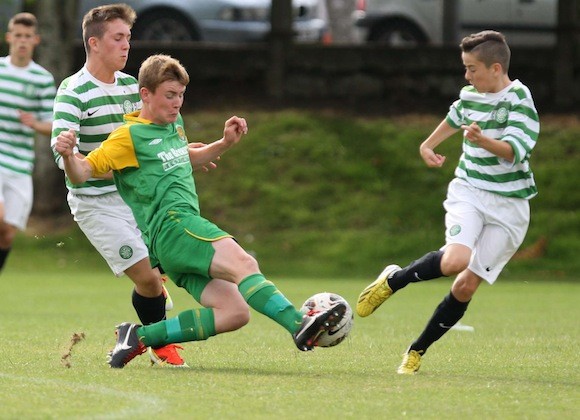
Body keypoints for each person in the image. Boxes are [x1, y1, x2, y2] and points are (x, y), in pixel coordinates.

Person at [54, 54, 347, 368]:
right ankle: (298, 323)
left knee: (234, 313)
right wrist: (70, 154)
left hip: (170, 245)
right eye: (169, 95)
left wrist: (223, 143)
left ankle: (140, 336)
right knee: (244, 262)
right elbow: (81, 173)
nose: (177, 102)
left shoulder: (174, 125)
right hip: (175, 225)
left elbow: (184, 158)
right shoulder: (127, 137)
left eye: (180, 95)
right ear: (145, 94)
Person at [356, 30, 539, 374]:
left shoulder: (519, 99)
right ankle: (394, 281)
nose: (467, 76)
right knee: (455, 260)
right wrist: (427, 145)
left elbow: (515, 151)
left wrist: (484, 141)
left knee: (466, 285)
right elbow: (456, 116)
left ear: (496, 68)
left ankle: (416, 351)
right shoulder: (472, 94)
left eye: (472, 69)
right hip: (470, 190)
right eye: (465, 68)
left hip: (510, 208)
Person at [50, 4, 185, 367]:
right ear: (94, 43)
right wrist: (66, 150)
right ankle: (159, 343)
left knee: (167, 270)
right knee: (150, 281)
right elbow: (63, 149)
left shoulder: (133, 88)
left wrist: (190, 152)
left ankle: (138, 327)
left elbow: (160, 134)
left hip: (136, 199)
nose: (127, 46)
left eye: (128, 37)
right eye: (118, 38)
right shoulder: (73, 90)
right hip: (95, 203)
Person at [0, 12, 55, 272]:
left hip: (20, 164)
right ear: (9, 37)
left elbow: (53, 124)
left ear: (35, 40)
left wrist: (34, 123)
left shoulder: (42, 79)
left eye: (27, 37)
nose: (22, 41)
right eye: (18, 36)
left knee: (7, 232)